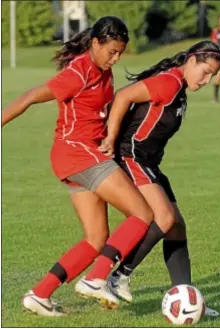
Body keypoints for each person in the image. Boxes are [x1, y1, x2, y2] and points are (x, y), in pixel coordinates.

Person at [2, 16, 155, 316]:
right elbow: (33, 95)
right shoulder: (79, 72)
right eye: (112, 51)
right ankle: (98, 278)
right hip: (78, 154)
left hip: (79, 156)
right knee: (142, 213)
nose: (117, 57)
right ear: (95, 43)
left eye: (121, 52)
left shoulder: (103, 71)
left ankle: (40, 294)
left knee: (96, 239)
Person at [77, 40, 220, 317]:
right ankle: (116, 277)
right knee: (163, 218)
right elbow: (123, 97)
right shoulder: (169, 82)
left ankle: (186, 297)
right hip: (131, 157)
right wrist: (109, 137)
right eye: (204, 71)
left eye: (212, 75)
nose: (206, 80)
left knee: (177, 227)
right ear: (190, 61)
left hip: (149, 162)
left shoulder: (179, 88)